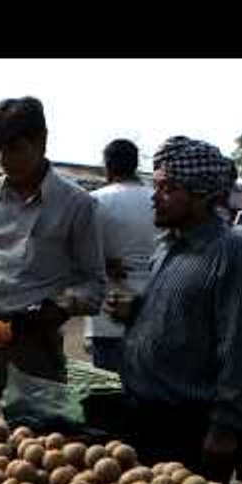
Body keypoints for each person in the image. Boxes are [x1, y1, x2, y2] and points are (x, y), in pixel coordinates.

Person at [107, 136, 242, 482]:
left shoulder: (234, 255)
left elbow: (241, 348)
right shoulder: (167, 245)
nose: (155, 196)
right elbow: (186, 316)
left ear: (202, 194)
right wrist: (137, 310)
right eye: (156, 185)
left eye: (167, 189)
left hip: (188, 428)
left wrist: (226, 428)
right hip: (141, 415)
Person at [0, 97, 105, 428]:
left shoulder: (77, 204)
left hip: (39, 349)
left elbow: (94, 285)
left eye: (15, 148)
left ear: (42, 141)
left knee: (40, 445)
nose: (4, 159)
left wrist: (59, 306)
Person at [84, 139, 155, 373]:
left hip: (108, 315)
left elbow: (76, 257)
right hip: (155, 312)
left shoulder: (95, 201)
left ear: (107, 166)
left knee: (109, 396)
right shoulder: (160, 200)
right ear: (135, 164)